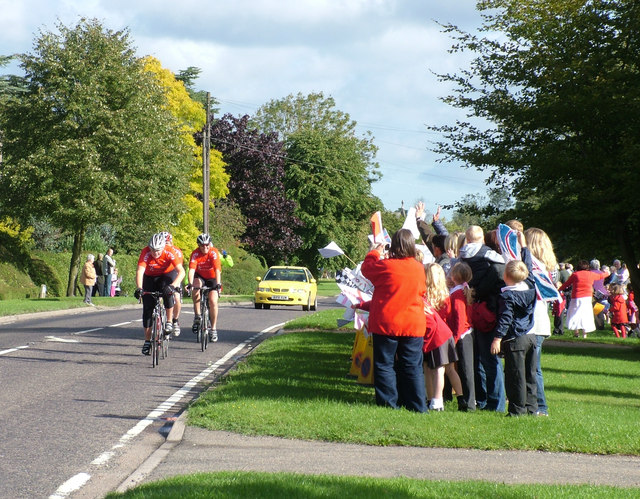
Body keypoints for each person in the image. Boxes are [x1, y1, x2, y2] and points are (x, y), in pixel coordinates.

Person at [361, 228, 428, 413]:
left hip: (387, 322)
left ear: (394, 246)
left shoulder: (386, 266)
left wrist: (375, 251)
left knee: (384, 364)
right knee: (412, 366)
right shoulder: (419, 268)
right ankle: (417, 405)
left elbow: (366, 269)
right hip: (413, 323)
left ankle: (388, 404)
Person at [490, 232, 538, 417]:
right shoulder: (530, 284)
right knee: (530, 374)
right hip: (531, 334)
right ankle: (531, 408)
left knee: (515, 375)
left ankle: (517, 410)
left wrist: (497, 338)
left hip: (515, 338)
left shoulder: (507, 295)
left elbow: (505, 318)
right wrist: (524, 246)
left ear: (506, 276)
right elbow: (530, 268)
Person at [459, 225, 506, 413]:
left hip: (470, 306)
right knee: (490, 359)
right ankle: (497, 403)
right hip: (488, 308)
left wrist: (472, 290)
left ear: (467, 239)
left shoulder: (461, 256)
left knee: (477, 358)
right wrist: (483, 289)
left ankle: (482, 398)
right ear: (482, 239)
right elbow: (499, 271)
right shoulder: (490, 255)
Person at [524, 227, 558, 417]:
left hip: (535, 322)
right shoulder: (547, 268)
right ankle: (532, 404)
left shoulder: (537, 269)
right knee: (531, 367)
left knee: (533, 368)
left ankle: (540, 406)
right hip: (540, 322)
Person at [134, 233, 186, 355]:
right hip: (150, 276)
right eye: (153, 250)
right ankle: (147, 341)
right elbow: (140, 271)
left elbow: (181, 271)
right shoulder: (145, 252)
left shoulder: (169, 251)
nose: (155, 253)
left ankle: (169, 321)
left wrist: (173, 286)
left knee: (167, 291)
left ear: (163, 248)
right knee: (147, 308)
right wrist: (139, 288)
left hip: (166, 274)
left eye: (158, 250)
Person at [423, 263, 463, 412]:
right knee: (450, 369)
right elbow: (448, 315)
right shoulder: (446, 295)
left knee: (431, 369)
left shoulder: (425, 296)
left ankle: (433, 399)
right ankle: (461, 397)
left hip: (434, 336)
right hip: (445, 335)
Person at [448, 262, 476, 411]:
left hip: (462, 335)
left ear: (454, 276)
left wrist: (455, 337)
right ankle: (467, 400)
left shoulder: (458, 293)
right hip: (464, 333)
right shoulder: (461, 291)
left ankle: (469, 403)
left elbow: (460, 318)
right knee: (465, 369)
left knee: (466, 370)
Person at [188, 233, 222, 342]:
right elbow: (192, 270)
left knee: (213, 301)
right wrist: (190, 284)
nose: (205, 247)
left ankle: (213, 329)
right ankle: (197, 316)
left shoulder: (213, 252)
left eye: (207, 245)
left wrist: (218, 284)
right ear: (198, 245)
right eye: (202, 245)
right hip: (200, 276)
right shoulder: (195, 254)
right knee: (196, 286)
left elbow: (217, 269)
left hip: (212, 278)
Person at [558, 260, 606, 339]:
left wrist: (559, 289)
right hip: (587, 297)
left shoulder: (575, 274)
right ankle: (584, 334)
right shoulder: (591, 274)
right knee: (586, 315)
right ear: (587, 267)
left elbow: (567, 283)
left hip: (576, 297)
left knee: (575, 313)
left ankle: (576, 332)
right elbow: (600, 276)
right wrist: (607, 273)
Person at [163, 232, 183, 336]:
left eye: (168, 242)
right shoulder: (158, 250)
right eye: (164, 242)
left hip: (174, 274)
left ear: (171, 242)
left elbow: (179, 269)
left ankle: (175, 320)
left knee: (176, 297)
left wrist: (175, 285)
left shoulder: (176, 251)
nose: (166, 244)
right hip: (161, 275)